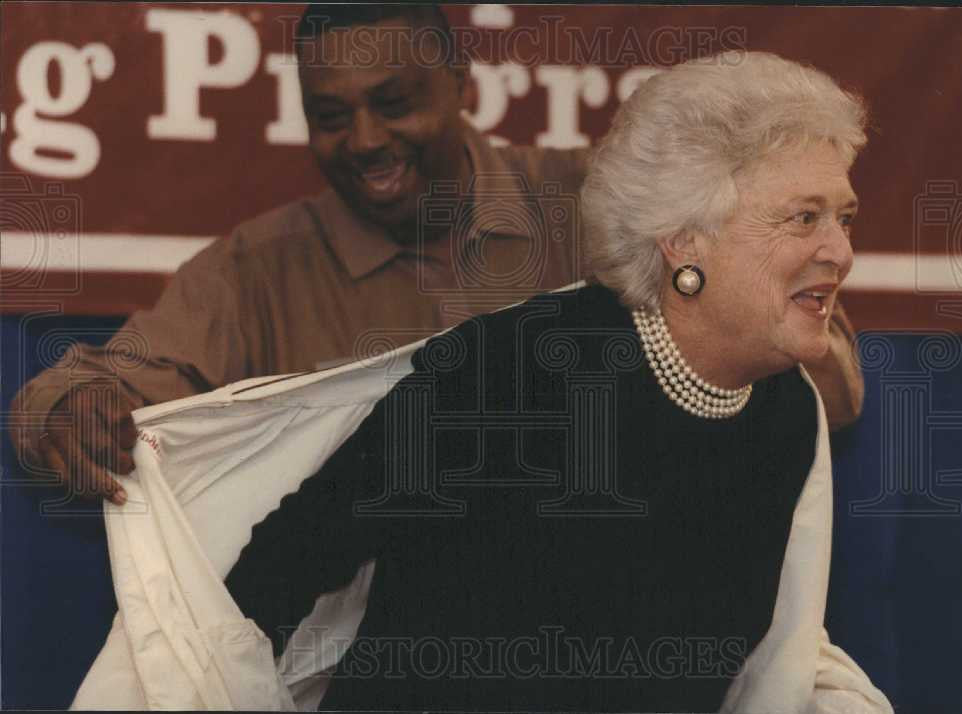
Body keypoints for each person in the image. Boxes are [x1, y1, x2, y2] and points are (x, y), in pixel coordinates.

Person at [222, 51, 892, 711]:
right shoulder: (507, 376)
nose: (841, 250)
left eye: (845, 218)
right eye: (804, 218)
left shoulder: (783, 414)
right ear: (685, 240)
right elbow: (275, 573)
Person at [8, 5, 864, 510]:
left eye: (393, 103)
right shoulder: (255, 269)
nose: (365, 142)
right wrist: (71, 413)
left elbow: (832, 388)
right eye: (331, 115)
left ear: (461, 84)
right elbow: (92, 385)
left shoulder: (604, 206)